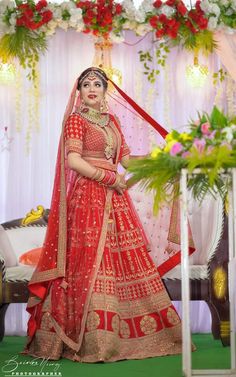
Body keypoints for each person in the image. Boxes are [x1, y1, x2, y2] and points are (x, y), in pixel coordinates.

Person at [22, 67, 184, 362]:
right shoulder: (75, 120)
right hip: (88, 199)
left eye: (97, 84)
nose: (92, 88)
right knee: (89, 261)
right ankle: (91, 340)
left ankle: (128, 334)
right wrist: (108, 178)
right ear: (79, 92)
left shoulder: (113, 121)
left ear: (105, 91)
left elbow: (127, 162)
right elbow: (73, 161)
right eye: (86, 84)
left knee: (123, 260)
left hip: (116, 201)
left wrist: (161, 158)